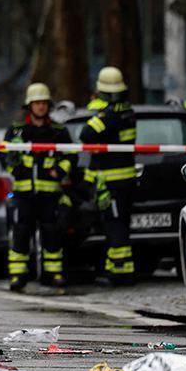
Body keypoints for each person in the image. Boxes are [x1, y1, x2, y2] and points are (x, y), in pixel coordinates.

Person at [1, 83, 75, 291]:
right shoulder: (17, 131)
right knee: (21, 234)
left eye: (44, 103)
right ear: (29, 105)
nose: (41, 107)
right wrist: (14, 168)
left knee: (51, 233)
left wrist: (60, 171)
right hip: (24, 193)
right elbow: (3, 154)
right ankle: (18, 276)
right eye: (37, 103)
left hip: (50, 193)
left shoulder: (58, 132)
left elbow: (71, 155)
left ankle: (54, 274)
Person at [79, 66, 137, 285]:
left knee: (116, 226)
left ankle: (121, 273)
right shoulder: (128, 112)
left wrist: (98, 113)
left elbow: (86, 134)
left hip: (113, 181)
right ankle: (117, 268)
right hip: (126, 180)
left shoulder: (110, 115)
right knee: (119, 224)